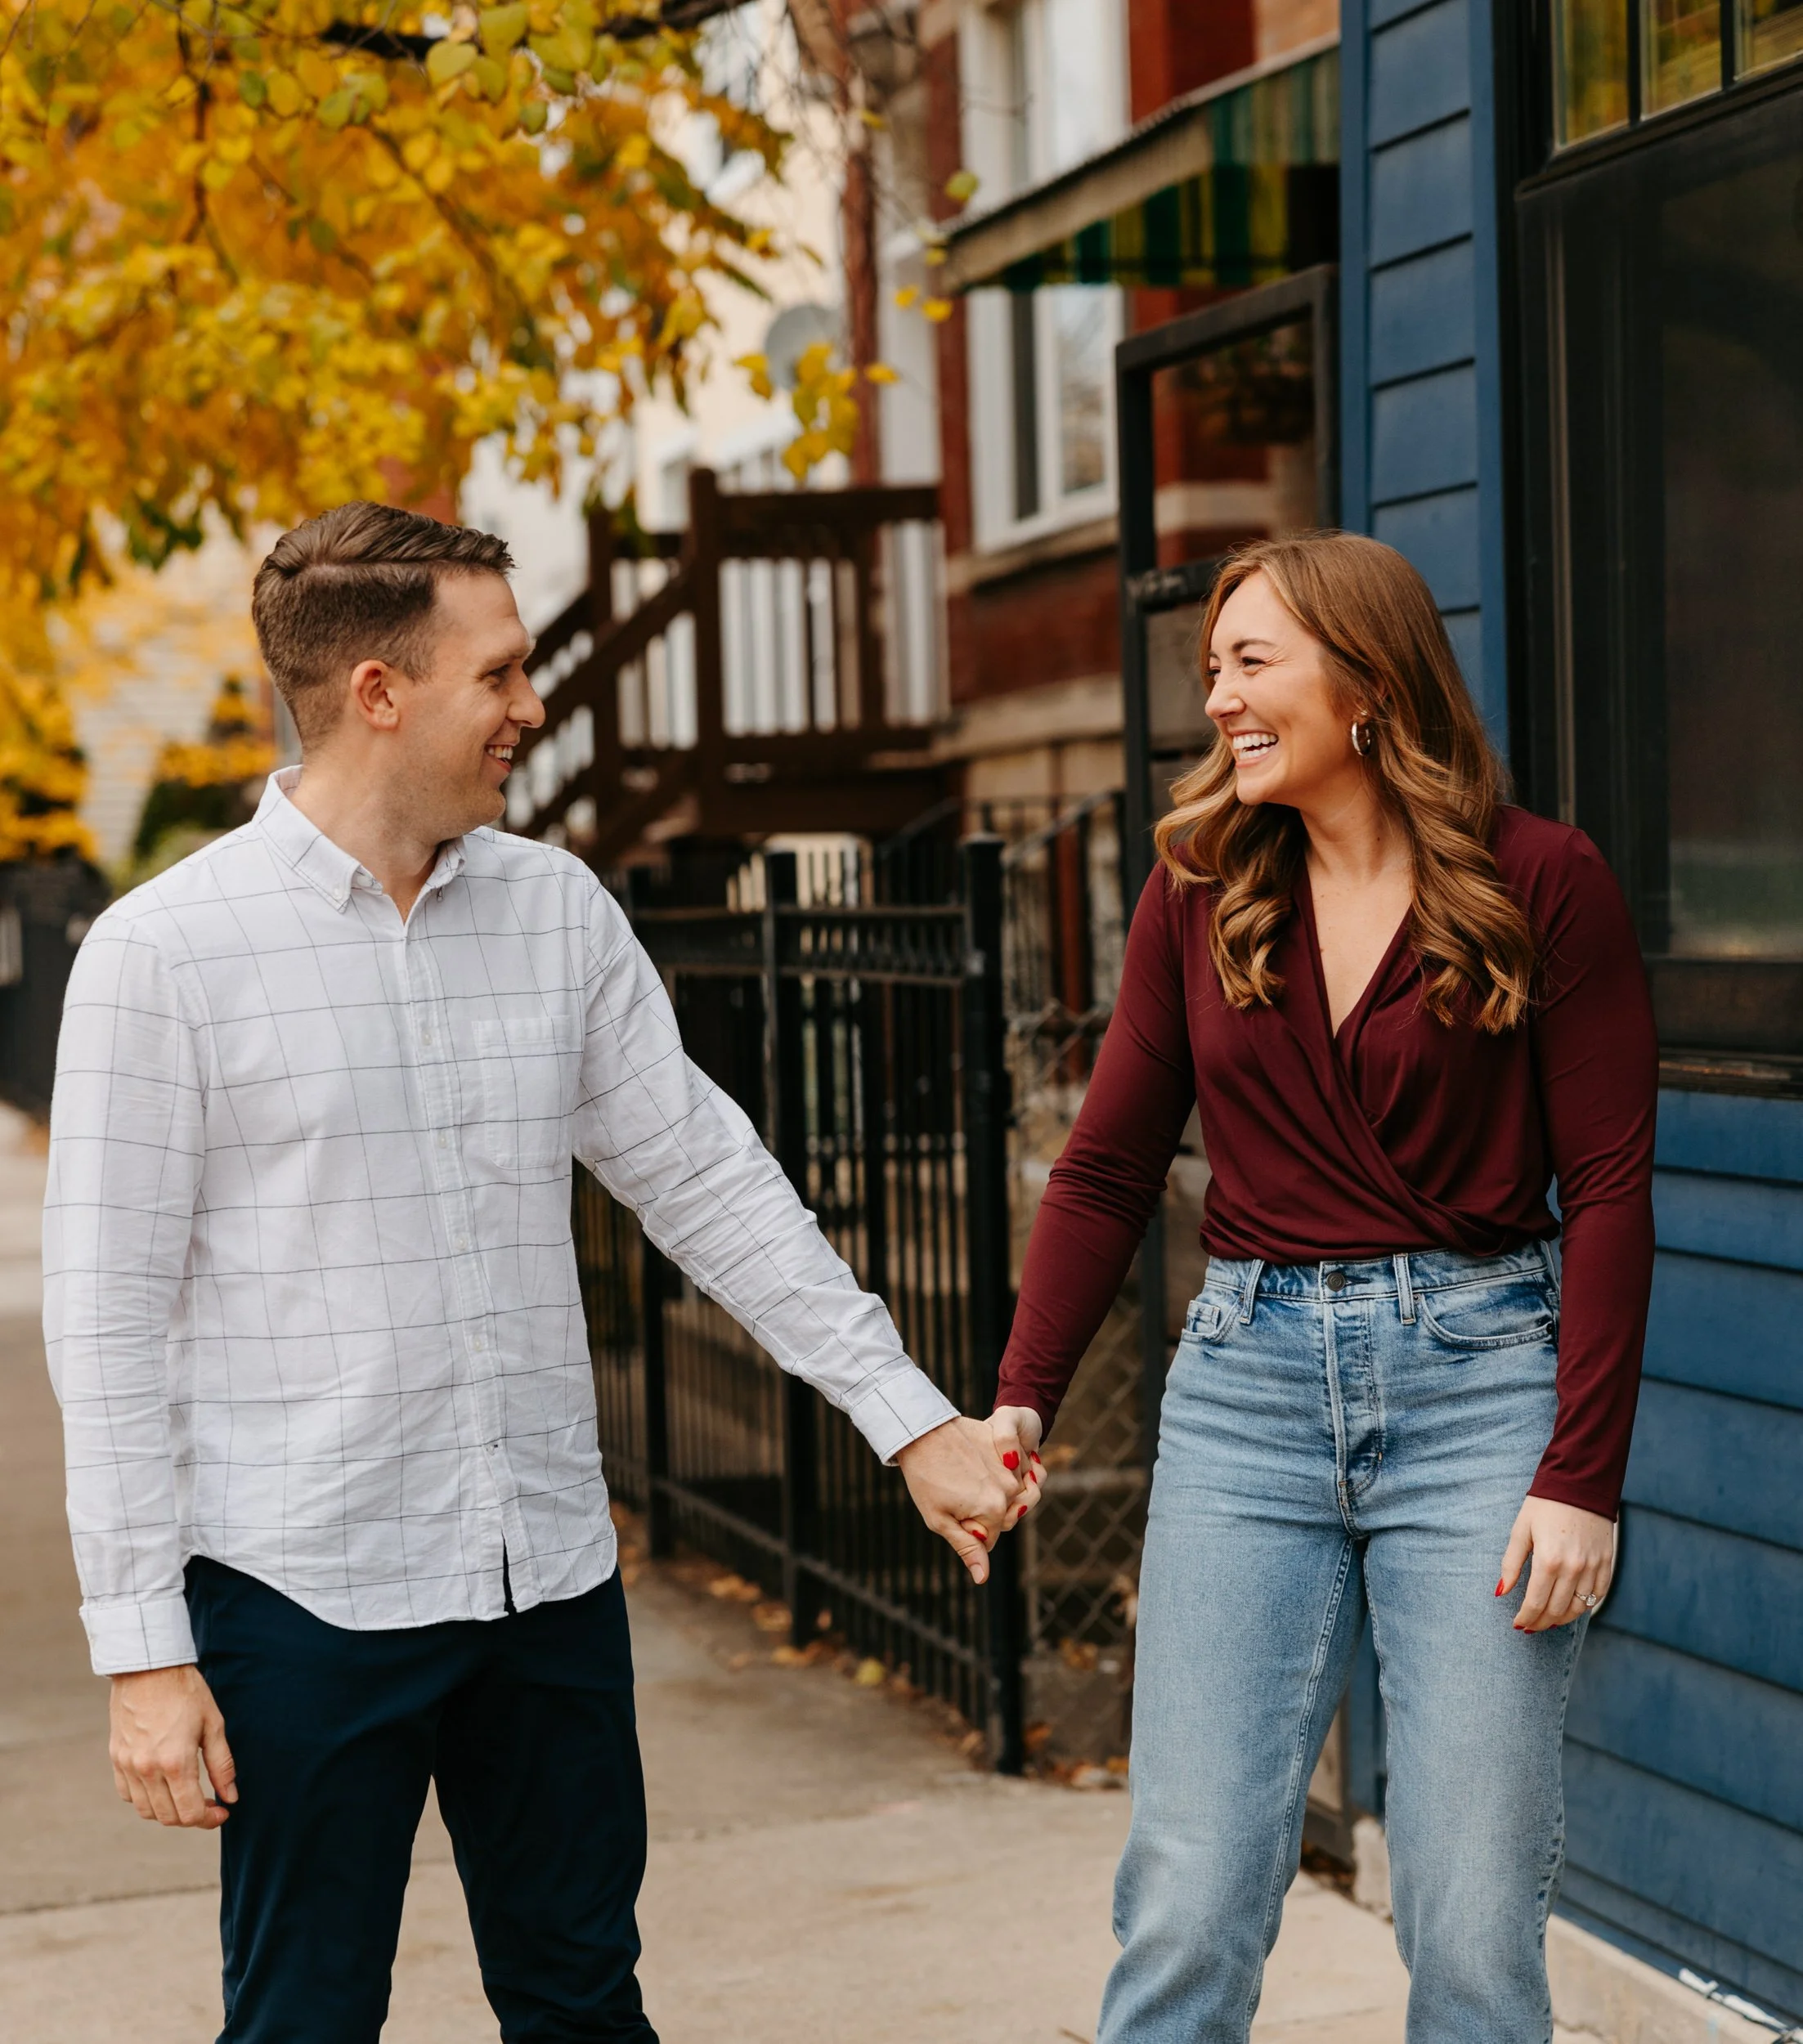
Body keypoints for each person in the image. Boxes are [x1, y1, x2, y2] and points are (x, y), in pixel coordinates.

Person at [43, 501, 1032, 2043]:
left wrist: (908, 1420)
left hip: (542, 1577)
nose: (532, 705)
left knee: (582, 2000)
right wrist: (143, 1655)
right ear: (381, 690)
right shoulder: (163, 957)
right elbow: (102, 1326)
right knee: (302, 2020)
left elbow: (707, 1180)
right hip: (306, 1593)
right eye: (500, 672)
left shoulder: (556, 911)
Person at [992, 534, 1657, 2042]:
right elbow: (1104, 1169)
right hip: (1247, 1395)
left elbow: (1611, 1192)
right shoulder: (1200, 886)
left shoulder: (1542, 880)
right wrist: (1025, 1390)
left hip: (1484, 1392)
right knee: (1187, 1893)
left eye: (1250, 662)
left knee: (1473, 1914)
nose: (1218, 699)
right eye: (1211, 667)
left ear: (1367, 682)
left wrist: (1582, 1476)